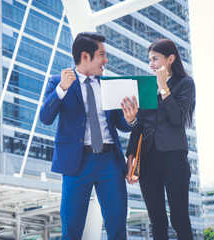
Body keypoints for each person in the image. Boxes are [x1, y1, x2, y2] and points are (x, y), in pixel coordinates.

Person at [40, 32, 138, 240]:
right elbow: (45, 117)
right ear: (85, 56)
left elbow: (121, 123)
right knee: (72, 230)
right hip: (76, 163)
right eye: (102, 55)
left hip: (110, 160)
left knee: (117, 227)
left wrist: (131, 119)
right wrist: (61, 90)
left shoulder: (109, 84)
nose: (106, 60)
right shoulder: (58, 82)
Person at [125, 38, 195, 240]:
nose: (151, 64)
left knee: (180, 218)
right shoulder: (147, 87)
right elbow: (139, 126)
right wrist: (131, 157)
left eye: (155, 59)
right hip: (147, 158)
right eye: (149, 59)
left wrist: (163, 85)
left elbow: (177, 117)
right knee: (157, 220)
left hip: (174, 157)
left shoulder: (185, 83)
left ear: (170, 58)